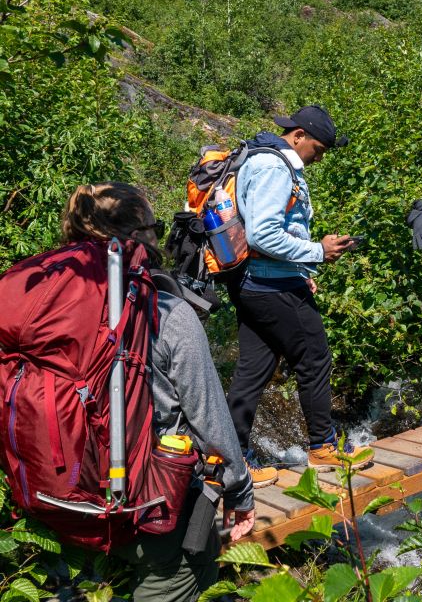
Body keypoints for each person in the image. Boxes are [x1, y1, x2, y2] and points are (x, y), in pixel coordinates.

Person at [60, 182, 255, 602]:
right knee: (181, 576)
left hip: (66, 497)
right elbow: (209, 419)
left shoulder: (51, 309)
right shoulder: (167, 313)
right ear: (144, 235)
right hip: (153, 508)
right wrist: (240, 489)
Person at [226, 104, 373, 487]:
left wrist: (299, 270)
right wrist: (318, 253)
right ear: (297, 136)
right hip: (272, 285)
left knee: (251, 374)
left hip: (256, 282)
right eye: (318, 150)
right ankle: (323, 447)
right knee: (314, 358)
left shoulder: (259, 160)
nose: (318, 159)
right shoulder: (275, 167)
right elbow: (263, 234)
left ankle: (231, 461)